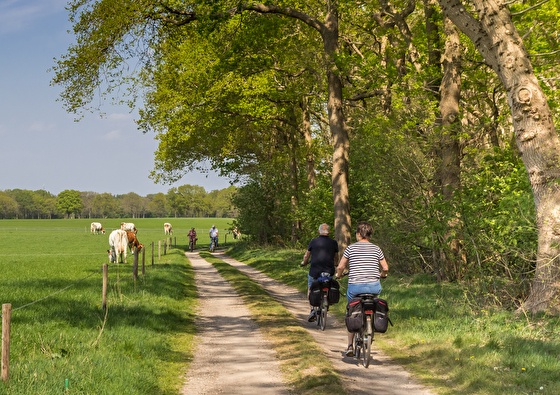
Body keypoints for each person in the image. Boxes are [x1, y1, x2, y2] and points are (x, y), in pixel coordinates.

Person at [335, 221, 389, 357]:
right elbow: (386, 268)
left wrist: (339, 275)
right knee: (373, 301)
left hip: (355, 288)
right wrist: (382, 275)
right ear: (370, 235)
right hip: (373, 287)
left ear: (358, 234)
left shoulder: (351, 248)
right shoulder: (376, 249)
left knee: (352, 311)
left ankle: (349, 345)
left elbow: (341, 267)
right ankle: (370, 322)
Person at [300, 223, 339, 322]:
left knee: (310, 287)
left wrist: (304, 263)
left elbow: (306, 256)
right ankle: (327, 300)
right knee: (329, 283)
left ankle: (312, 309)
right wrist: (336, 264)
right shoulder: (334, 243)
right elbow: (336, 257)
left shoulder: (314, 241)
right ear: (329, 232)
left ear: (319, 231)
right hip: (329, 271)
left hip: (315, 271)